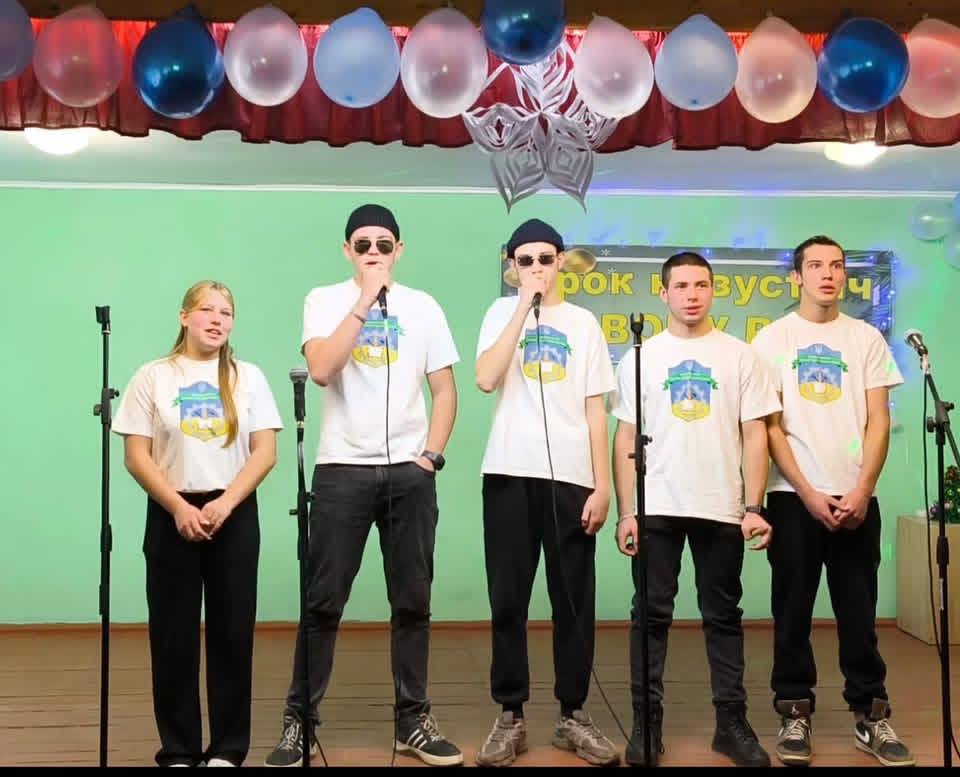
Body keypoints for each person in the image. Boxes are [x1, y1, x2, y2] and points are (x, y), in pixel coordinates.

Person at [264, 204, 462, 767]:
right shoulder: (324, 300)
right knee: (323, 602)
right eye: (363, 244)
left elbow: (445, 390)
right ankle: (300, 723)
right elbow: (322, 368)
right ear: (347, 250)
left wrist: (430, 457)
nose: (374, 253)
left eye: (383, 244)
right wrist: (364, 301)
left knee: (413, 602)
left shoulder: (424, 307)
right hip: (342, 470)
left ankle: (412, 721)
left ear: (399, 249)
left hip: (410, 474)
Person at [751, 235, 914, 767]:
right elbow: (770, 427)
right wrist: (806, 491)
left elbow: (879, 419)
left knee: (858, 614)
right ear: (796, 277)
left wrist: (863, 487)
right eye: (816, 265)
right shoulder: (771, 339)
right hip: (793, 497)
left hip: (856, 497)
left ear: (845, 275)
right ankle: (794, 713)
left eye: (837, 265)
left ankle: (871, 715)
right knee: (792, 612)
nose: (828, 273)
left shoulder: (866, 338)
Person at [611, 252, 778, 768]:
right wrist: (626, 511)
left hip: (721, 506)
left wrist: (754, 505)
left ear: (713, 290)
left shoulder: (740, 356)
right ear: (663, 293)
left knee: (723, 617)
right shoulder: (639, 357)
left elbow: (756, 434)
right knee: (650, 617)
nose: (691, 294)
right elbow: (625, 437)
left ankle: (731, 724)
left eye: (701, 285)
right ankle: (646, 724)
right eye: (681, 286)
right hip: (656, 503)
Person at [113, 280, 283, 767]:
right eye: (207, 310)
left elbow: (265, 451)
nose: (216, 319)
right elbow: (136, 455)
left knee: (233, 633)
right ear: (184, 316)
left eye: (225, 313)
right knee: (173, 636)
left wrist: (226, 503)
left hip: (232, 510)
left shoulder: (248, 377)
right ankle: (180, 748)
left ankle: (228, 748)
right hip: (173, 511)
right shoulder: (154, 376)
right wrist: (178, 507)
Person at [473, 219, 619, 767]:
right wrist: (521, 308)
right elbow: (485, 378)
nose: (536, 267)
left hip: (572, 480)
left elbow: (595, 408)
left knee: (573, 602)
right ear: (512, 266)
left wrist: (602, 484)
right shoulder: (499, 312)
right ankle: (510, 715)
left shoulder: (584, 323)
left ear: (561, 261)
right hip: (508, 473)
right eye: (525, 260)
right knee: (508, 599)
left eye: (544, 258)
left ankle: (572, 714)